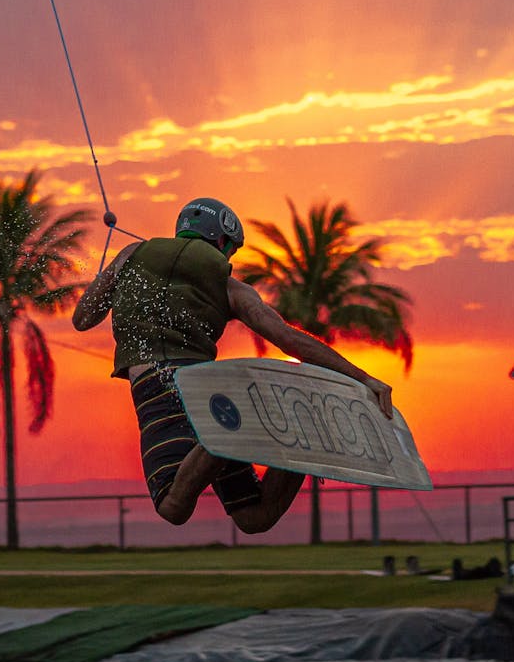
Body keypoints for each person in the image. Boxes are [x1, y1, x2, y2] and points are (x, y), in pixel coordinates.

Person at [72, 197, 394, 533]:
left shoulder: (130, 256)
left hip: (156, 389)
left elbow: (82, 318)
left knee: (173, 507)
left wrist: (108, 281)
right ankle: (283, 441)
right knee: (255, 517)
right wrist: (362, 377)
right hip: (207, 391)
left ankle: (223, 438)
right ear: (222, 241)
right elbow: (288, 338)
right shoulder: (230, 288)